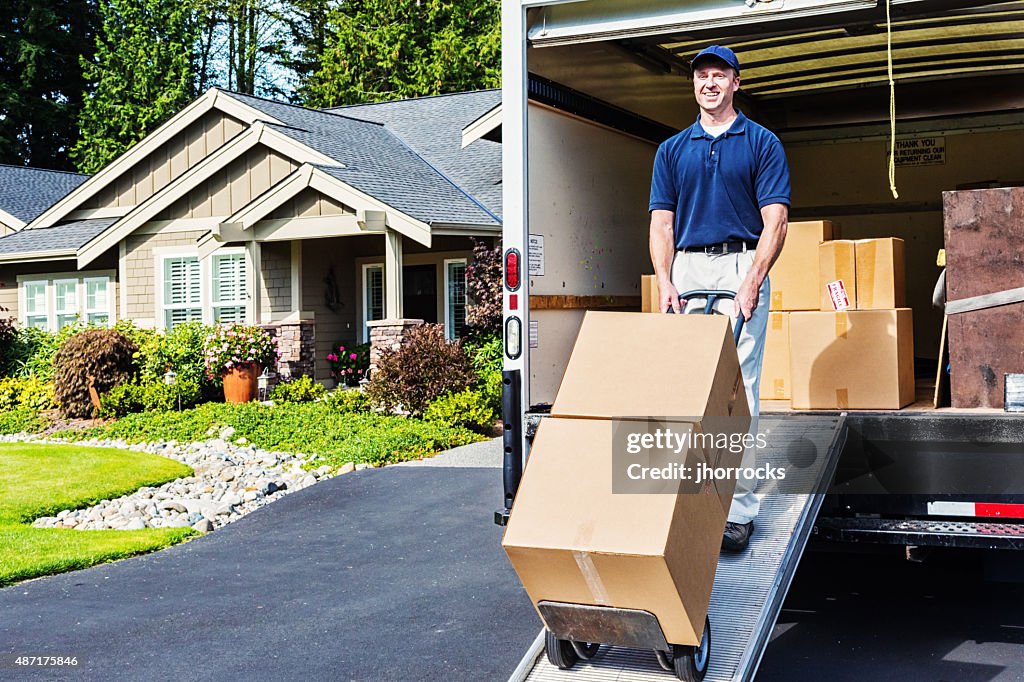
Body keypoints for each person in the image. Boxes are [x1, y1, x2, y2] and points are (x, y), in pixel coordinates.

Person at [648, 45, 790, 553]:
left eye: (719, 75)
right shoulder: (672, 149)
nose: (709, 83)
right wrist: (664, 280)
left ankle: (738, 513)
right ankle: (686, 501)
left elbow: (776, 218)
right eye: (701, 76)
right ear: (694, 85)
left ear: (736, 82)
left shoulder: (761, 142)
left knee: (738, 392)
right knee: (687, 392)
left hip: (739, 265)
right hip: (687, 269)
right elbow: (661, 223)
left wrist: (753, 279)